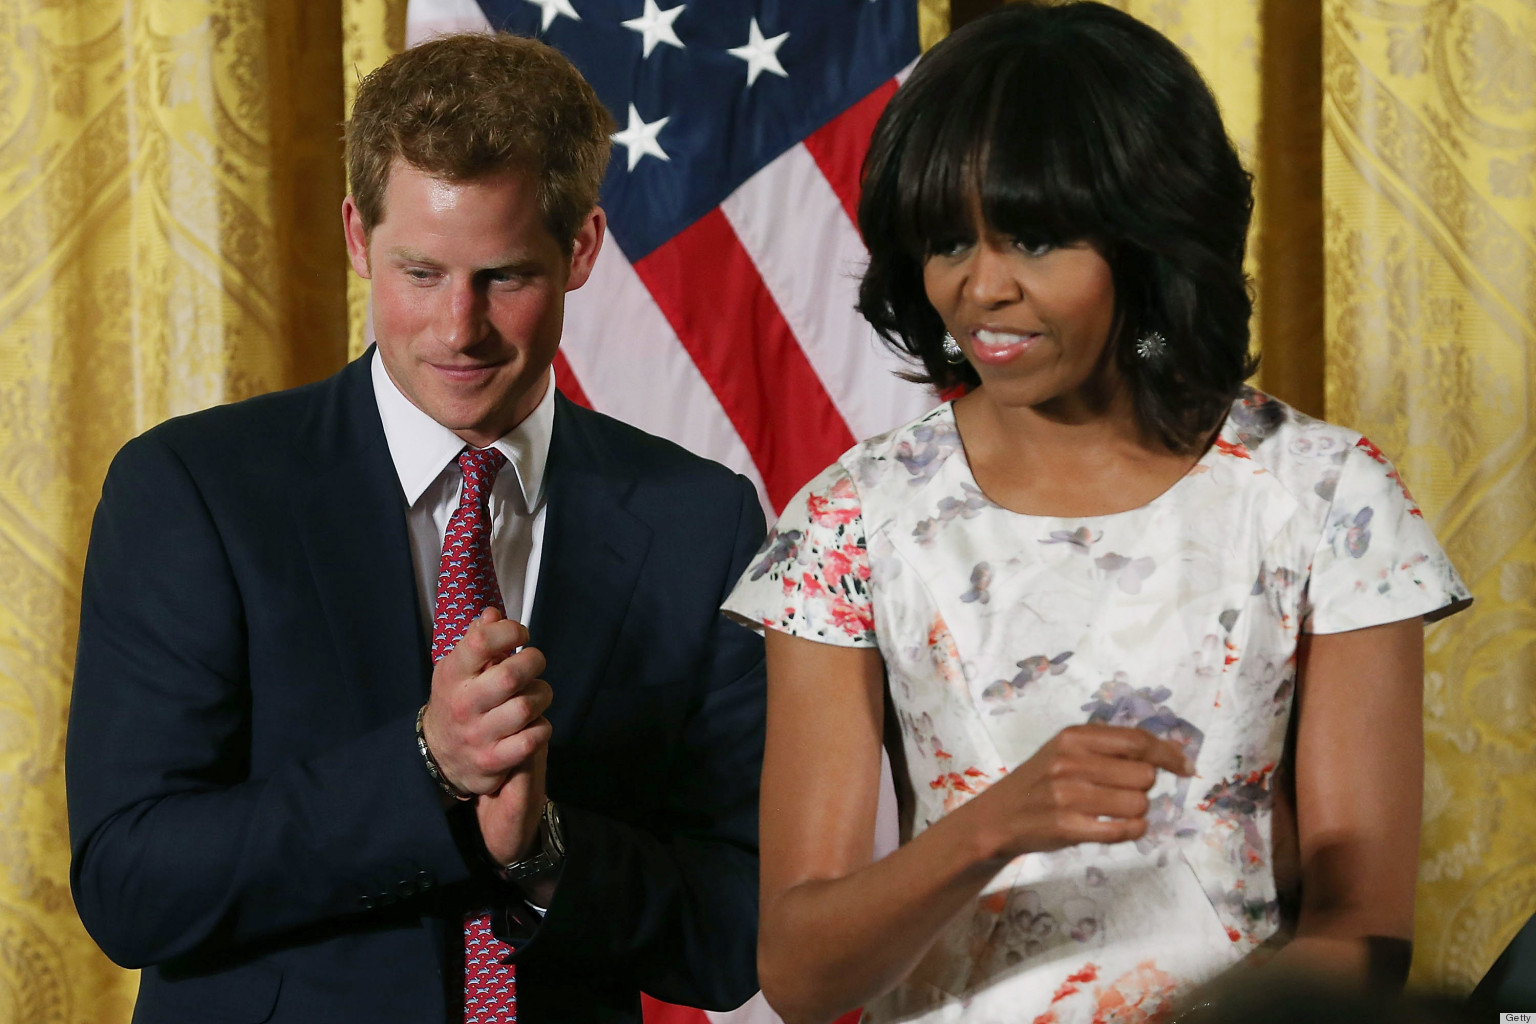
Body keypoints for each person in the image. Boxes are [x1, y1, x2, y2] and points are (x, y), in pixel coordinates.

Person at [721, 4, 1472, 1023]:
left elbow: (1365, 935)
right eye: (948, 241)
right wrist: (997, 824)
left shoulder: (1324, 495)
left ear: (1144, 232)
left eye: (1033, 236)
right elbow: (802, 975)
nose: (982, 287)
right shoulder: (853, 520)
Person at [67, 32, 766, 1024]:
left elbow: (732, 935)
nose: (458, 329)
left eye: (506, 276)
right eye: (422, 272)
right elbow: (129, 887)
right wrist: (426, 767)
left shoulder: (698, 519)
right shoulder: (194, 491)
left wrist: (540, 850)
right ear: (358, 236)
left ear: (581, 250)